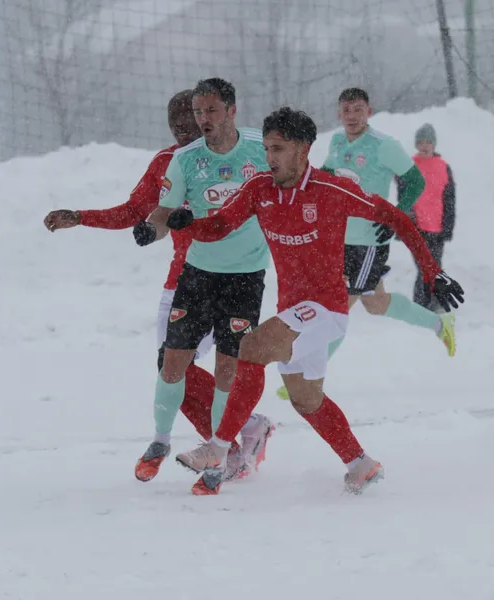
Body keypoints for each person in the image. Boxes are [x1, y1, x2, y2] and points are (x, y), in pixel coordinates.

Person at [166, 107, 465, 496]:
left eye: (278, 149)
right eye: (267, 149)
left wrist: (432, 272)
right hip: (294, 312)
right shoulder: (259, 189)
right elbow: (221, 224)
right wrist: (191, 225)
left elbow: (396, 218)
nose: (269, 157)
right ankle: (360, 464)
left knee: (251, 347)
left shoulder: (331, 190)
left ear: (303, 149)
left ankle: (218, 451)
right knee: (306, 400)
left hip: (326, 309)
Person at [44, 90, 233, 483]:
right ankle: (238, 433)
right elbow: (134, 211)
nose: (181, 125)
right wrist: (81, 216)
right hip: (182, 281)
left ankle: (228, 442)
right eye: (173, 119)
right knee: (170, 368)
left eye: (188, 116)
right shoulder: (167, 162)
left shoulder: (234, 156)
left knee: (209, 367)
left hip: (232, 278)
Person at [134, 77, 275, 482]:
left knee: (227, 369)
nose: (203, 119)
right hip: (197, 275)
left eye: (211, 110)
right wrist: (151, 230)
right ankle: (160, 441)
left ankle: (219, 453)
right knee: (171, 361)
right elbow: (163, 213)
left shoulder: (260, 149)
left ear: (231, 110)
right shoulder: (185, 160)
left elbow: (293, 185)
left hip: (245, 278)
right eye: (198, 112)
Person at [275, 88, 456, 401]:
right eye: (346, 110)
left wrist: (397, 215)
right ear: (339, 113)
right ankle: (439, 324)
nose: (352, 116)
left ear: (368, 112)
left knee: (339, 306)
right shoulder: (337, 141)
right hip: (341, 238)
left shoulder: (384, 145)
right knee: (376, 303)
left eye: (358, 109)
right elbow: (329, 174)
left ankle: (306, 375)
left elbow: (416, 181)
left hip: (370, 241)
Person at [405, 123, 455, 310]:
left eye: (428, 142)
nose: (424, 146)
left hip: (437, 227)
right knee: (424, 267)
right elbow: (404, 195)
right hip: (416, 226)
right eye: (421, 142)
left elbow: (449, 199)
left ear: (434, 144)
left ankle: (430, 304)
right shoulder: (409, 166)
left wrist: (448, 226)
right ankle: (423, 305)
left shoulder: (443, 167)